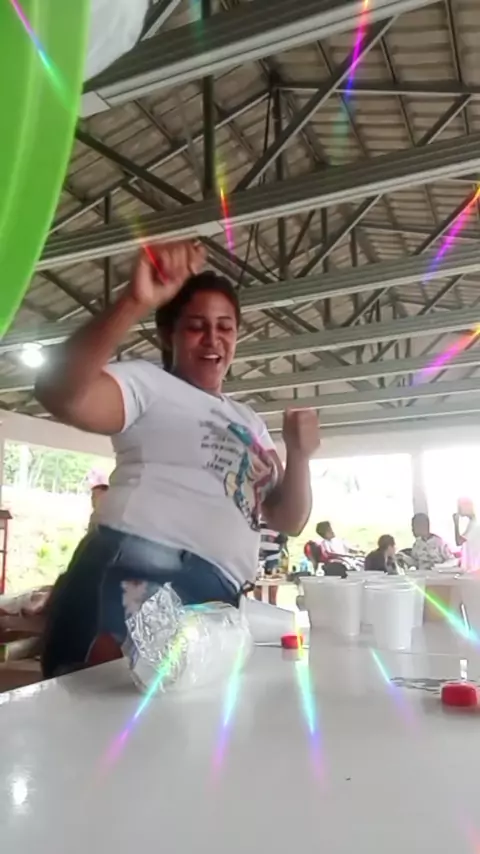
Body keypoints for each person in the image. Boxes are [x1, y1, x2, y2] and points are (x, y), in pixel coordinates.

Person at [35, 241, 320, 677]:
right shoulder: (148, 385)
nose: (213, 339)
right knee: (102, 713)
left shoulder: (248, 420)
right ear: (168, 335)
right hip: (141, 574)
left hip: (216, 597)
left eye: (225, 327)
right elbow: (60, 393)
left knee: (170, 721)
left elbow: (288, 519)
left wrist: (299, 455)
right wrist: (134, 302)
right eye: (196, 327)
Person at [453, 498, 480, 573]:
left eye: (460, 508)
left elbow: (459, 541)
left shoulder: (476, 525)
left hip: (474, 567)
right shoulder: (472, 523)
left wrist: (456, 524)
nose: (458, 511)